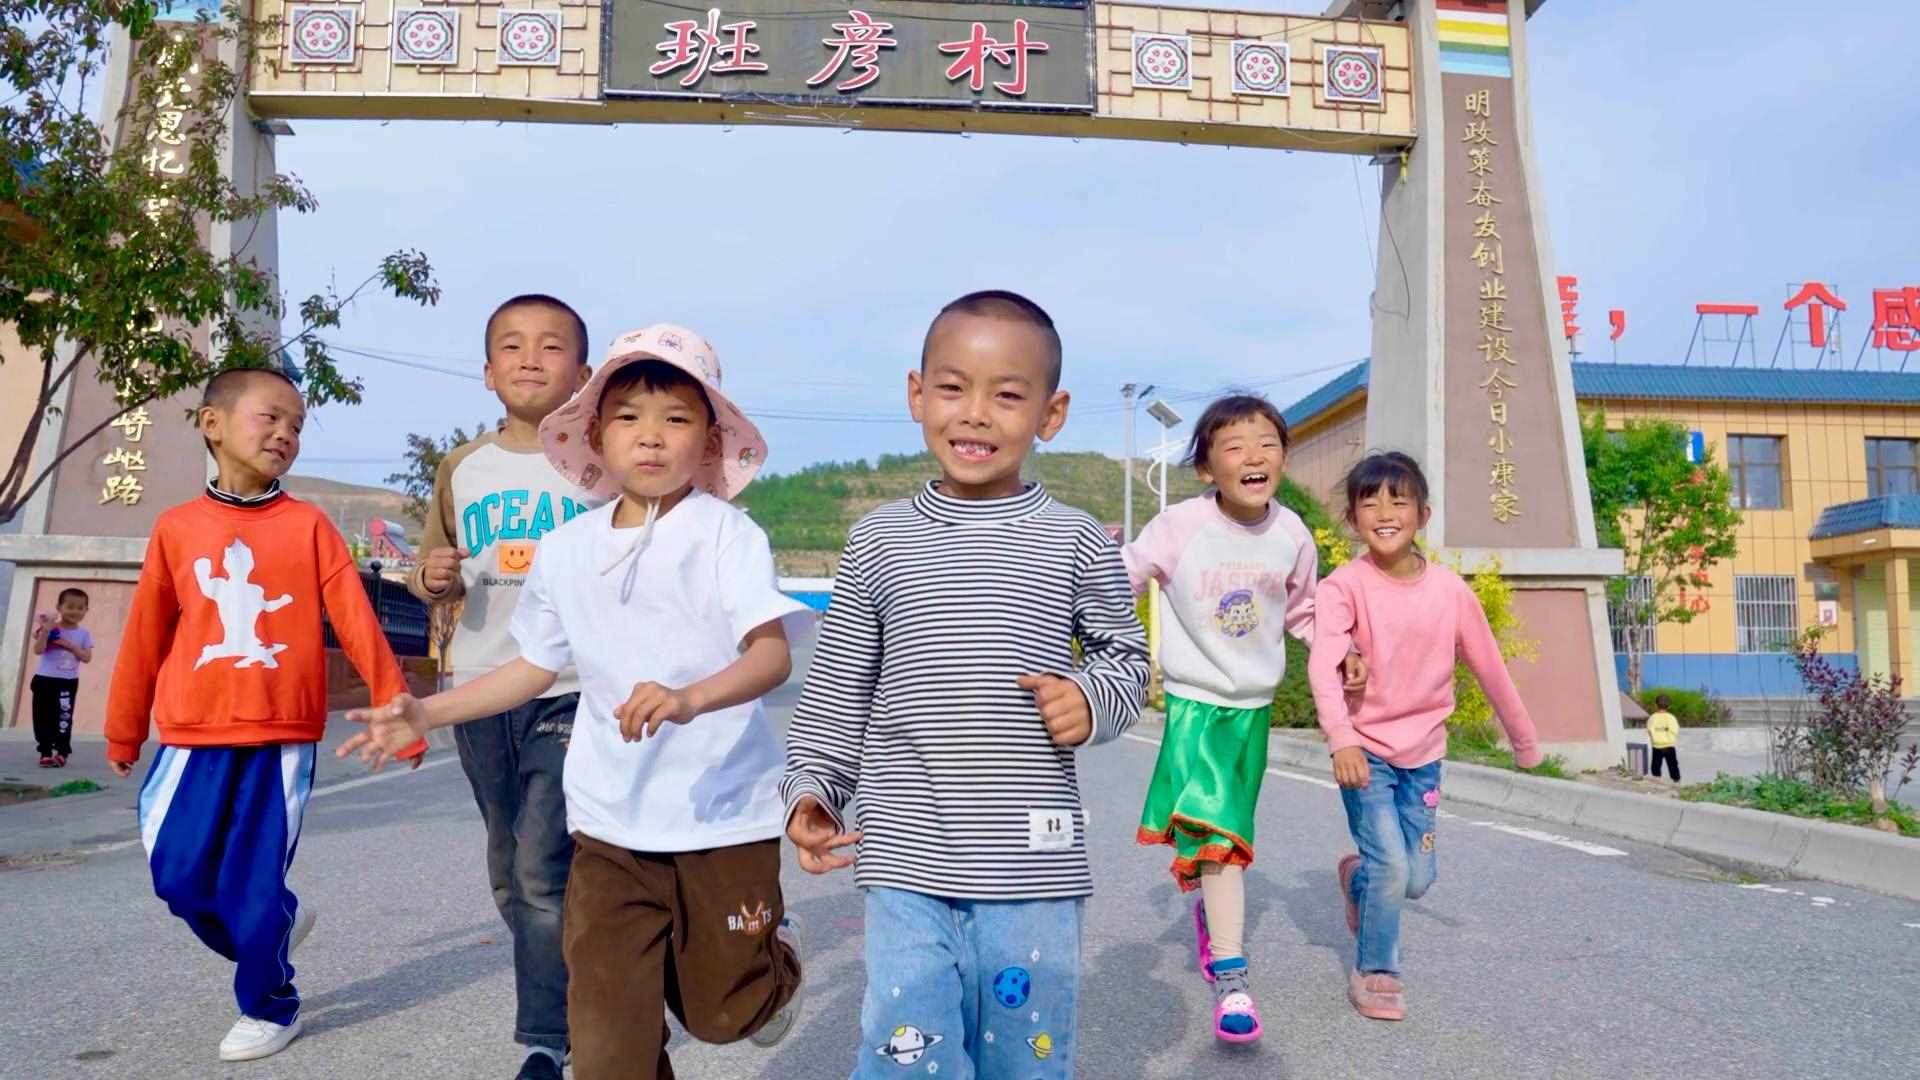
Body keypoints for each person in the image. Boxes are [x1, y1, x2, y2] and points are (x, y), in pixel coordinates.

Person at [343, 325, 808, 1080]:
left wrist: (689, 698)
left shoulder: (728, 535)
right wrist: (427, 711)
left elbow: (770, 656)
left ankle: (772, 964)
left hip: (722, 817)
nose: (650, 436)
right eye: (628, 418)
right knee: (606, 1048)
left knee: (723, 1013)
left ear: (710, 440)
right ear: (595, 435)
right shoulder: (567, 548)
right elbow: (533, 667)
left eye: (676, 419)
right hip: (608, 823)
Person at [783, 290, 1150, 1078]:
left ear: (1051, 414)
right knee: (905, 1054)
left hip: (1032, 867)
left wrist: (1090, 699)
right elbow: (839, 684)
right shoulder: (879, 539)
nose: (975, 413)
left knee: (1024, 1058)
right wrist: (814, 788)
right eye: (953, 388)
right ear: (917, 395)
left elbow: (1127, 658)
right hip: (904, 856)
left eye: (1007, 396)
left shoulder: (1076, 539)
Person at [104, 367, 426, 1063]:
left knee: (250, 884)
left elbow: (357, 622)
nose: (286, 433)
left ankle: (270, 1003)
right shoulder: (177, 529)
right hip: (190, 737)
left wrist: (397, 710)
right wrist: (124, 728)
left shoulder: (309, 527)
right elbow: (145, 635)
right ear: (213, 424)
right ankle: (277, 925)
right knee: (177, 876)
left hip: (280, 736)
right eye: (270, 417)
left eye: (297, 426)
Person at [1123, 393, 1366, 1043]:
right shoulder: (1179, 526)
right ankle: (1232, 979)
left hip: (1251, 710)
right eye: (1234, 447)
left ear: (1283, 457)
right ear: (1207, 468)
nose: (1253, 456)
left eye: (1267, 444)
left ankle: (1214, 922)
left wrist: (1341, 652)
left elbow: (1306, 611)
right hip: (1194, 705)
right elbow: (1122, 577)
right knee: (1221, 837)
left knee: (1215, 839)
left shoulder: (1292, 535)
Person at [404, 293, 600, 1080]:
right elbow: (430, 571)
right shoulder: (462, 467)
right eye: (512, 346)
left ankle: (546, 1041)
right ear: (488, 373)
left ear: (583, 373)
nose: (530, 358)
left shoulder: (600, 463)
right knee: (508, 865)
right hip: (480, 685)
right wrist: (431, 577)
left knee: (539, 862)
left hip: (572, 687)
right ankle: (585, 976)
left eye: (551, 346)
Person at [1307, 450, 1541, 1023]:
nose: (1385, 513)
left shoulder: (1451, 592)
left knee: (1416, 879)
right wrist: (1341, 737)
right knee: (1392, 866)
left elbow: (1489, 667)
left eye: (1399, 500)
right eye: (1370, 502)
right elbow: (1323, 663)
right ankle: (1377, 970)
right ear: (1352, 519)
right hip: (1365, 752)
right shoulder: (1344, 586)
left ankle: (1357, 880)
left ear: (1423, 514)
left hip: (1425, 755)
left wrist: (1523, 739)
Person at [30, 587, 93, 767]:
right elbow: (38, 650)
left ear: (86, 610)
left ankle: (62, 752)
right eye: (70, 607)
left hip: (67, 682)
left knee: (64, 717)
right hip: (44, 680)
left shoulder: (84, 634)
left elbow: (86, 657)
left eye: (80, 608)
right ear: (59, 608)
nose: (75, 611)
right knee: (42, 717)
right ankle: (45, 752)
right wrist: (45, 631)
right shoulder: (51, 628)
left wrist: (69, 645)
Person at [1647, 694, 1682, 782]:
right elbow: (1676, 730)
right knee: (1673, 766)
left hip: (1657, 746)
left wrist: (1655, 736)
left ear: (1656, 705)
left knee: (1655, 766)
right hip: (1669, 746)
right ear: (1668, 705)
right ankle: (1676, 781)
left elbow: (1649, 730)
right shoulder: (1671, 717)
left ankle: (1657, 782)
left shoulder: (1652, 717)